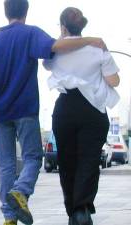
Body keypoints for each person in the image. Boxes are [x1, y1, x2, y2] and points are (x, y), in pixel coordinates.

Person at [0, 1, 107, 225]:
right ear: (26, 11)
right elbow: (59, 46)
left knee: (5, 165)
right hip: (25, 110)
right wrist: (92, 40)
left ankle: (10, 218)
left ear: (6, 12)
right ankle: (21, 192)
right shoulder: (30, 34)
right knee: (33, 158)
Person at [43, 7, 120, 225]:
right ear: (83, 25)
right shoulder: (98, 49)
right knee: (89, 160)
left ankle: (73, 211)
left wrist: (63, 34)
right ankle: (82, 208)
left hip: (65, 108)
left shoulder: (56, 51)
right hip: (93, 111)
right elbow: (114, 81)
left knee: (66, 161)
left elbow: (46, 63)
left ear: (63, 26)